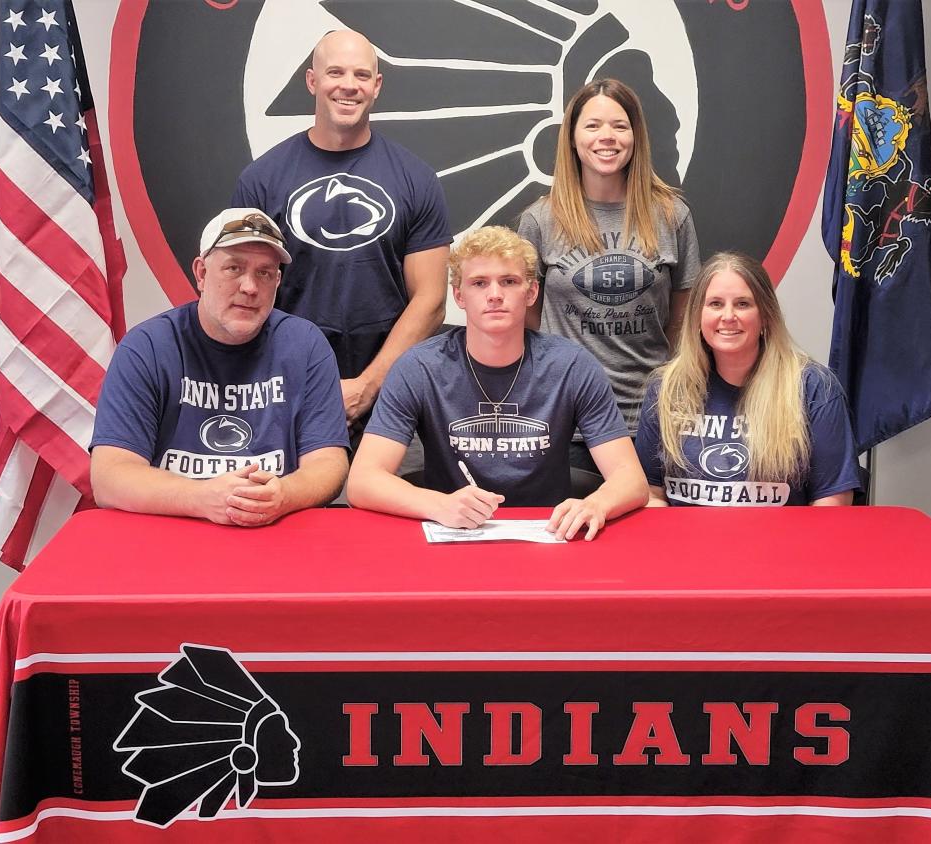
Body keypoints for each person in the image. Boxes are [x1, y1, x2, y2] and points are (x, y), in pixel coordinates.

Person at [347, 227, 648, 540]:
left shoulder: (572, 366)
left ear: (531, 293)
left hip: (550, 535)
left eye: (509, 281)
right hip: (453, 533)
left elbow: (631, 479)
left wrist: (597, 504)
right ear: (459, 295)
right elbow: (363, 481)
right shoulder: (419, 367)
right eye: (479, 283)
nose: (494, 294)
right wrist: (438, 505)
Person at [231, 29, 452, 434]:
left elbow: (432, 300)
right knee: (292, 498)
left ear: (377, 86)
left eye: (362, 75)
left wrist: (368, 386)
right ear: (312, 80)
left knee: (385, 498)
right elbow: (244, 294)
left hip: (393, 398)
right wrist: (303, 384)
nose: (348, 86)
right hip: (286, 392)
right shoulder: (262, 180)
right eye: (335, 72)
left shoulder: (416, 179)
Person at [90, 208, 350, 525]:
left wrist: (284, 494)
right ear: (201, 273)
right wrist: (201, 498)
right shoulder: (146, 348)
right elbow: (109, 476)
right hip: (173, 527)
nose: (250, 287)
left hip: (274, 531)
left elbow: (329, 462)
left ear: (277, 281)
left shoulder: (305, 345)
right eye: (233, 268)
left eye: (265, 273)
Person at [517, 78, 700, 463]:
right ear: (572, 137)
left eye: (619, 126)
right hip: (567, 420)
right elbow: (530, 322)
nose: (607, 137)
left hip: (651, 420)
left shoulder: (671, 216)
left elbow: (683, 321)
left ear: (636, 137)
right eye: (593, 125)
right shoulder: (540, 220)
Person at [635, 252, 861, 507]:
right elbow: (652, 493)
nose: (728, 316)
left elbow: (832, 501)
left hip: (782, 546)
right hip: (687, 545)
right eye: (715, 304)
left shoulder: (814, 388)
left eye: (743, 303)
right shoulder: (665, 388)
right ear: (698, 316)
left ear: (765, 315)